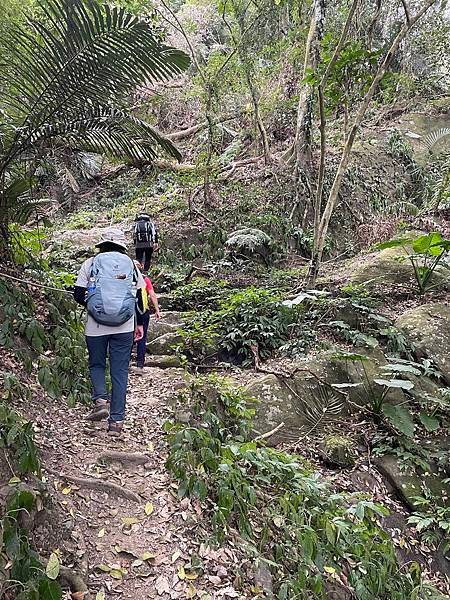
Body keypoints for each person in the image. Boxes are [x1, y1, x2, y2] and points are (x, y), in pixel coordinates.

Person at [73, 227, 146, 436]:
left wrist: (93, 303)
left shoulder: (91, 263)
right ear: (122, 245)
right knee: (120, 371)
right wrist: (139, 324)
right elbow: (140, 296)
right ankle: (116, 423)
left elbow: (78, 294)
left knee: (96, 363)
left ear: (102, 244)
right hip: (124, 326)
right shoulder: (132, 265)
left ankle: (101, 400)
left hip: (95, 326)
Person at [134, 261, 161, 373]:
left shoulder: (125, 279)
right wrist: (157, 309)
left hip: (129, 312)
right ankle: (140, 364)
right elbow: (152, 294)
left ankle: (124, 364)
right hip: (143, 311)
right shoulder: (145, 280)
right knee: (142, 337)